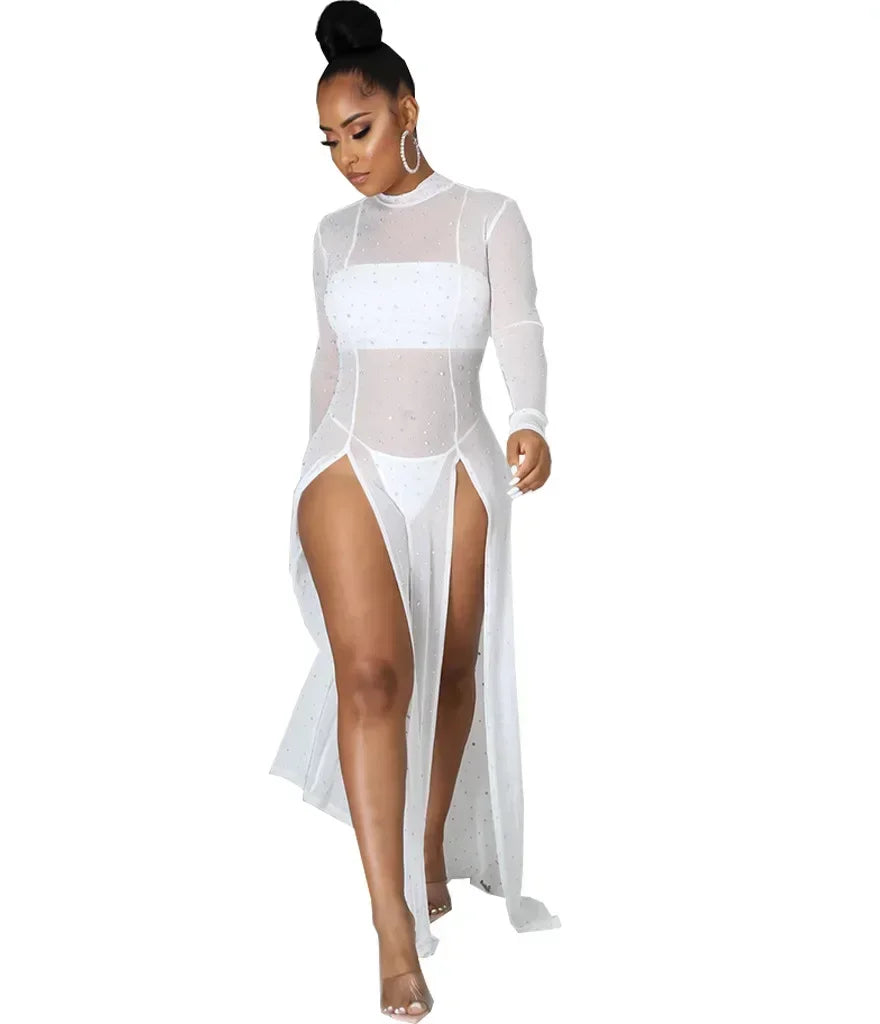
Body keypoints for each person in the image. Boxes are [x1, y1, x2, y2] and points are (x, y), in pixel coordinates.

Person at [269, 2, 560, 1017]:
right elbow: (328, 362)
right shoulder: (331, 237)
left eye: (358, 129)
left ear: (408, 110)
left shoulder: (488, 216)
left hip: (461, 461)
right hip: (346, 461)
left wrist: (530, 418)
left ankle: (429, 838)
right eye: (327, 141)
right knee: (373, 676)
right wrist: (306, 468)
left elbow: (521, 324)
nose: (345, 157)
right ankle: (392, 925)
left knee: (452, 667)